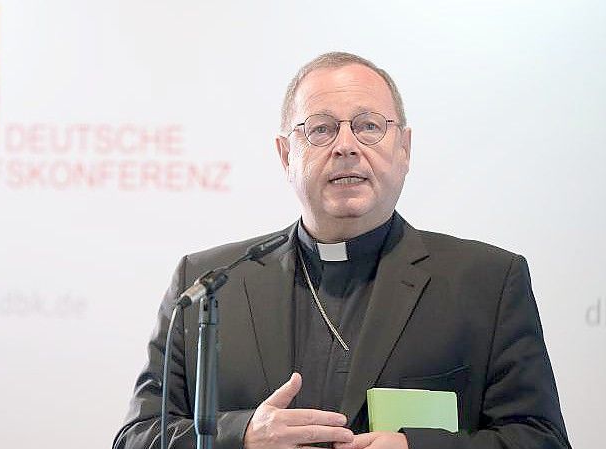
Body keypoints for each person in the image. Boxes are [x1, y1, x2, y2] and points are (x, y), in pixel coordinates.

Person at [113, 52, 570, 449]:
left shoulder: (486, 281)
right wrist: (243, 434)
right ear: (285, 155)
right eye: (321, 130)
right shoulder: (211, 283)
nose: (346, 147)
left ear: (404, 148)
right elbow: (136, 438)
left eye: (369, 126)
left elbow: (540, 438)